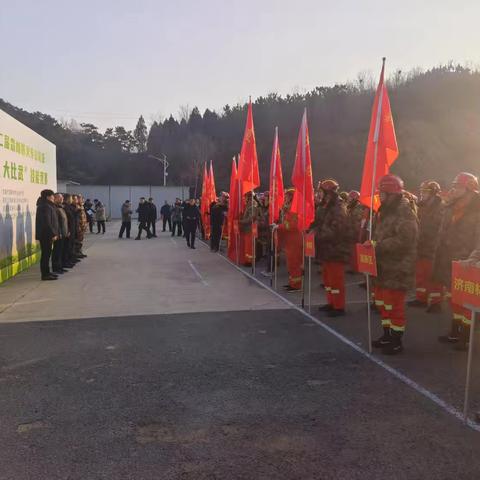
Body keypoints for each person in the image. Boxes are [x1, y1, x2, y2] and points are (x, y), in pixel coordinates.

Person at [370, 175, 418, 355]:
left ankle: (396, 340)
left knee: (394, 305)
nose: (380, 196)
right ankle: (387, 334)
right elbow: (380, 234)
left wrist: (378, 246)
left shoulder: (404, 211)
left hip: (398, 267)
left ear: (392, 193)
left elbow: (406, 240)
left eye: (383, 193)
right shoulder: (385, 210)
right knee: (383, 303)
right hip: (383, 265)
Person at [433, 172, 480, 351]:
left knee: (467, 302)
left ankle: (465, 336)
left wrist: (474, 258)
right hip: (450, 260)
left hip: (468, 262)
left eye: (458, 186)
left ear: (469, 188)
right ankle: (455, 331)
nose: (454, 189)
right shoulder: (450, 207)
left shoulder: (477, 208)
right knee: (454, 299)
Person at [314, 179, 350, 316]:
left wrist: (318, 234)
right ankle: (331, 302)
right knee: (328, 279)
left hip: (335, 248)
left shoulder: (338, 207)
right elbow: (319, 222)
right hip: (326, 248)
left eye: (321, 191)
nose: (319, 194)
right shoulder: (325, 206)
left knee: (336, 280)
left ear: (328, 192)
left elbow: (337, 229)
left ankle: (339, 306)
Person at [408, 181, 444, 312]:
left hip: (433, 248)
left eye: (426, 192)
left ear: (434, 193)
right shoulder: (421, 206)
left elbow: (437, 228)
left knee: (434, 276)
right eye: (422, 191)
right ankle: (421, 298)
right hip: (421, 246)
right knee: (421, 274)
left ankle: (436, 303)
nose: (422, 194)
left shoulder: (441, 208)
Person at [277, 188, 303, 291]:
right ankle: (292, 282)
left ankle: (296, 285)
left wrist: (279, 226)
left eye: (287, 196)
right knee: (290, 262)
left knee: (294, 262)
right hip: (289, 239)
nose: (285, 198)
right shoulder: (289, 208)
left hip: (294, 239)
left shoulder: (295, 209)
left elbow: (293, 225)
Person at [35, 189, 59, 280]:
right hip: (46, 235)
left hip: (46, 234)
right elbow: (47, 223)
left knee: (47, 254)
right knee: (45, 255)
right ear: (48, 197)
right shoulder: (45, 206)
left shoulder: (47, 205)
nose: (54, 197)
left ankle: (47, 273)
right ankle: (45, 275)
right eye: (53, 196)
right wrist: (53, 234)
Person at [238, 192, 258, 266]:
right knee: (247, 246)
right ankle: (247, 260)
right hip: (247, 229)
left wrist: (241, 221)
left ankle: (250, 262)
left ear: (249, 197)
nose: (245, 198)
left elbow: (251, 218)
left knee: (250, 246)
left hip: (250, 229)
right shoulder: (249, 205)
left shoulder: (252, 205)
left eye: (246, 196)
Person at [52, 193, 68, 275]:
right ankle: (56, 268)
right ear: (55, 198)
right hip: (59, 234)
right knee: (57, 251)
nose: (62, 199)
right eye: (59, 197)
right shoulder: (55, 208)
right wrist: (59, 233)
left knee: (61, 251)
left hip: (63, 233)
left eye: (62, 197)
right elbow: (56, 223)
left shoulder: (61, 207)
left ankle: (60, 266)